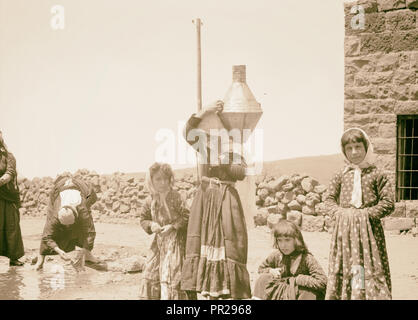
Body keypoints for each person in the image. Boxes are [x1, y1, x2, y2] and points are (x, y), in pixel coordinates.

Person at [180, 101, 252, 300]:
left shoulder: (236, 148)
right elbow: (187, 131)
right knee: (202, 243)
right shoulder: (203, 145)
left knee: (230, 245)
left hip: (227, 201)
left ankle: (226, 293)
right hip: (205, 200)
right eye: (211, 128)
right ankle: (205, 289)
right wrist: (204, 112)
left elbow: (241, 173)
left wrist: (225, 159)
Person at [325, 128, 394, 300]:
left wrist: (364, 215)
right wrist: (341, 213)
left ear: (366, 147)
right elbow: (328, 200)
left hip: (369, 234)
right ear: (344, 151)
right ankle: (349, 296)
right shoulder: (340, 175)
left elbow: (388, 203)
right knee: (349, 264)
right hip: (344, 233)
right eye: (349, 148)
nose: (354, 152)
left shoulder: (377, 174)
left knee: (365, 265)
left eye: (358, 147)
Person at [139, 162, 189, 300]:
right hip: (159, 245)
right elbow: (143, 219)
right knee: (151, 274)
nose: (162, 182)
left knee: (173, 276)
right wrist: (151, 225)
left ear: (170, 179)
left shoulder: (176, 197)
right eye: (158, 179)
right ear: (152, 180)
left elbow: (187, 216)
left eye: (165, 179)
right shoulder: (150, 200)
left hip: (177, 244)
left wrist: (173, 226)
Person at [34, 174, 99, 270]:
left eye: (70, 225)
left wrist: (83, 251)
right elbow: (47, 236)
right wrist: (58, 250)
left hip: (85, 192)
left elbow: (90, 232)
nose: (68, 228)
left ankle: (87, 255)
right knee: (48, 228)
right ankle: (40, 260)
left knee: (85, 228)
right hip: (59, 190)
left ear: (76, 216)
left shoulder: (83, 211)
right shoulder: (55, 214)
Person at [253, 220, 327, 300]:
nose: (283, 245)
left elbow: (322, 281)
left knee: (308, 292)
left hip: (297, 293)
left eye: (287, 240)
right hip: (280, 293)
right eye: (279, 240)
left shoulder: (306, 258)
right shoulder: (277, 255)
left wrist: (298, 279)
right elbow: (261, 269)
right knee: (263, 279)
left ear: (296, 240)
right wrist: (271, 271)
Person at [0, 130, 25, 266]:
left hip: (8, 197)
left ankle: (14, 258)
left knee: (11, 226)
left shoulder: (9, 156)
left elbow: (9, 174)